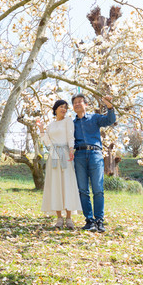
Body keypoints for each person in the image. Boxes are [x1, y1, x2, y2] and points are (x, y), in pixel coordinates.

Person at [72, 93, 116, 233]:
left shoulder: (95, 118)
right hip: (79, 155)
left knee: (98, 189)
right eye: (75, 103)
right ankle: (89, 221)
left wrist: (109, 105)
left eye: (80, 102)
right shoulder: (71, 124)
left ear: (86, 104)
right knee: (83, 190)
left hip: (95, 154)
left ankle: (99, 221)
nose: (77, 104)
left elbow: (110, 120)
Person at [36, 100, 82, 229]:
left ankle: (69, 218)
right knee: (55, 184)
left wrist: (71, 149)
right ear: (55, 108)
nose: (64, 109)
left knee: (67, 183)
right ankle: (59, 218)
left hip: (66, 154)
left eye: (65, 107)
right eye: (61, 107)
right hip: (53, 156)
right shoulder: (50, 125)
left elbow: (70, 136)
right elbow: (47, 142)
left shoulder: (68, 121)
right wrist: (41, 130)